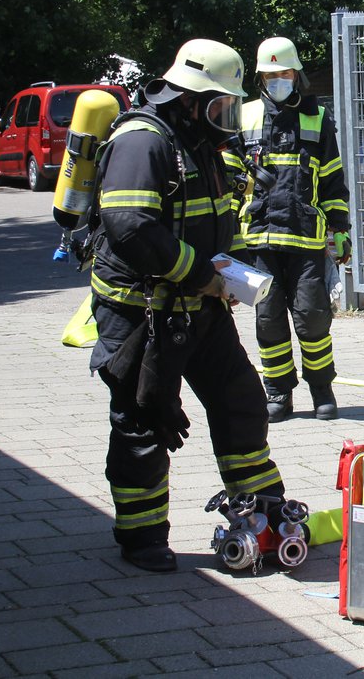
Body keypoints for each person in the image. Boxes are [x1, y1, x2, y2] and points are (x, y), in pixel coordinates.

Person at [88, 38, 287, 572]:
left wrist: (239, 269)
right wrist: (202, 275)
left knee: (241, 400)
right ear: (191, 98)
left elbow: (218, 217)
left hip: (199, 307)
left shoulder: (197, 142)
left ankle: (266, 514)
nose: (225, 119)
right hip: (140, 315)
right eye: (220, 106)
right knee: (143, 420)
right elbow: (129, 226)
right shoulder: (143, 142)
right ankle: (142, 535)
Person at [237, 36, 351, 421]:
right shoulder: (245, 116)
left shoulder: (318, 119)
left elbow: (334, 181)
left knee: (313, 316)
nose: (278, 79)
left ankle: (322, 390)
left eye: (284, 72)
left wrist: (341, 229)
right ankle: (278, 394)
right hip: (259, 238)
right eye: (270, 74)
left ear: (296, 75)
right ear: (261, 78)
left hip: (305, 238)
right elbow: (230, 181)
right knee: (268, 320)